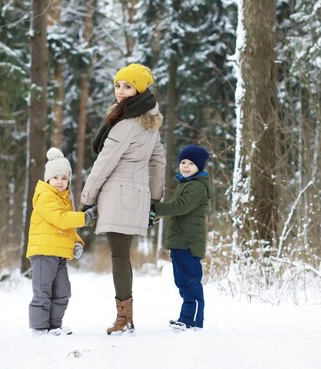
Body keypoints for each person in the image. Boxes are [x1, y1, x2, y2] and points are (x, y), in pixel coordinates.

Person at [80, 63, 166, 335]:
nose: (120, 91)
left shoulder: (126, 124)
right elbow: (158, 161)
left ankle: (124, 318)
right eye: (117, 85)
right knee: (122, 256)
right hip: (137, 196)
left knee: (119, 256)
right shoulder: (150, 122)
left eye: (127, 86)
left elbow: (104, 164)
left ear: (139, 89)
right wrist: (153, 199)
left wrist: (86, 198)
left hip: (118, 196)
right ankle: (125, 317)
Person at [26, 147, 97, 336]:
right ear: (48, 178)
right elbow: (61, 219)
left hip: (58, 253)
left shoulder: (64, 198)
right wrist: (85, 217)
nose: (60, 182)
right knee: (43, 292)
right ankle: (39, 328)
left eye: (64, 178)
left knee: (63, 292)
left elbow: (66, 228)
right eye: (56, 177)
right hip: (43, 251)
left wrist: (77, 242)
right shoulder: (45, 196)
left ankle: (54, 326)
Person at [151, 144, 212, 330]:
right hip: (180, 242)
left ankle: (193, 321)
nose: (185, 166)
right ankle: (186, 318)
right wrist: (154, 216)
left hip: (189, 242)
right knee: (182, 282)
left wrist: (154, 208)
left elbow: (180, 207)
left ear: (199, 167)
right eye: (183, 162)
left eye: (191, 163)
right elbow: (177, 208)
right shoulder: (186, 184)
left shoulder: (197, 187)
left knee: (190, 282)